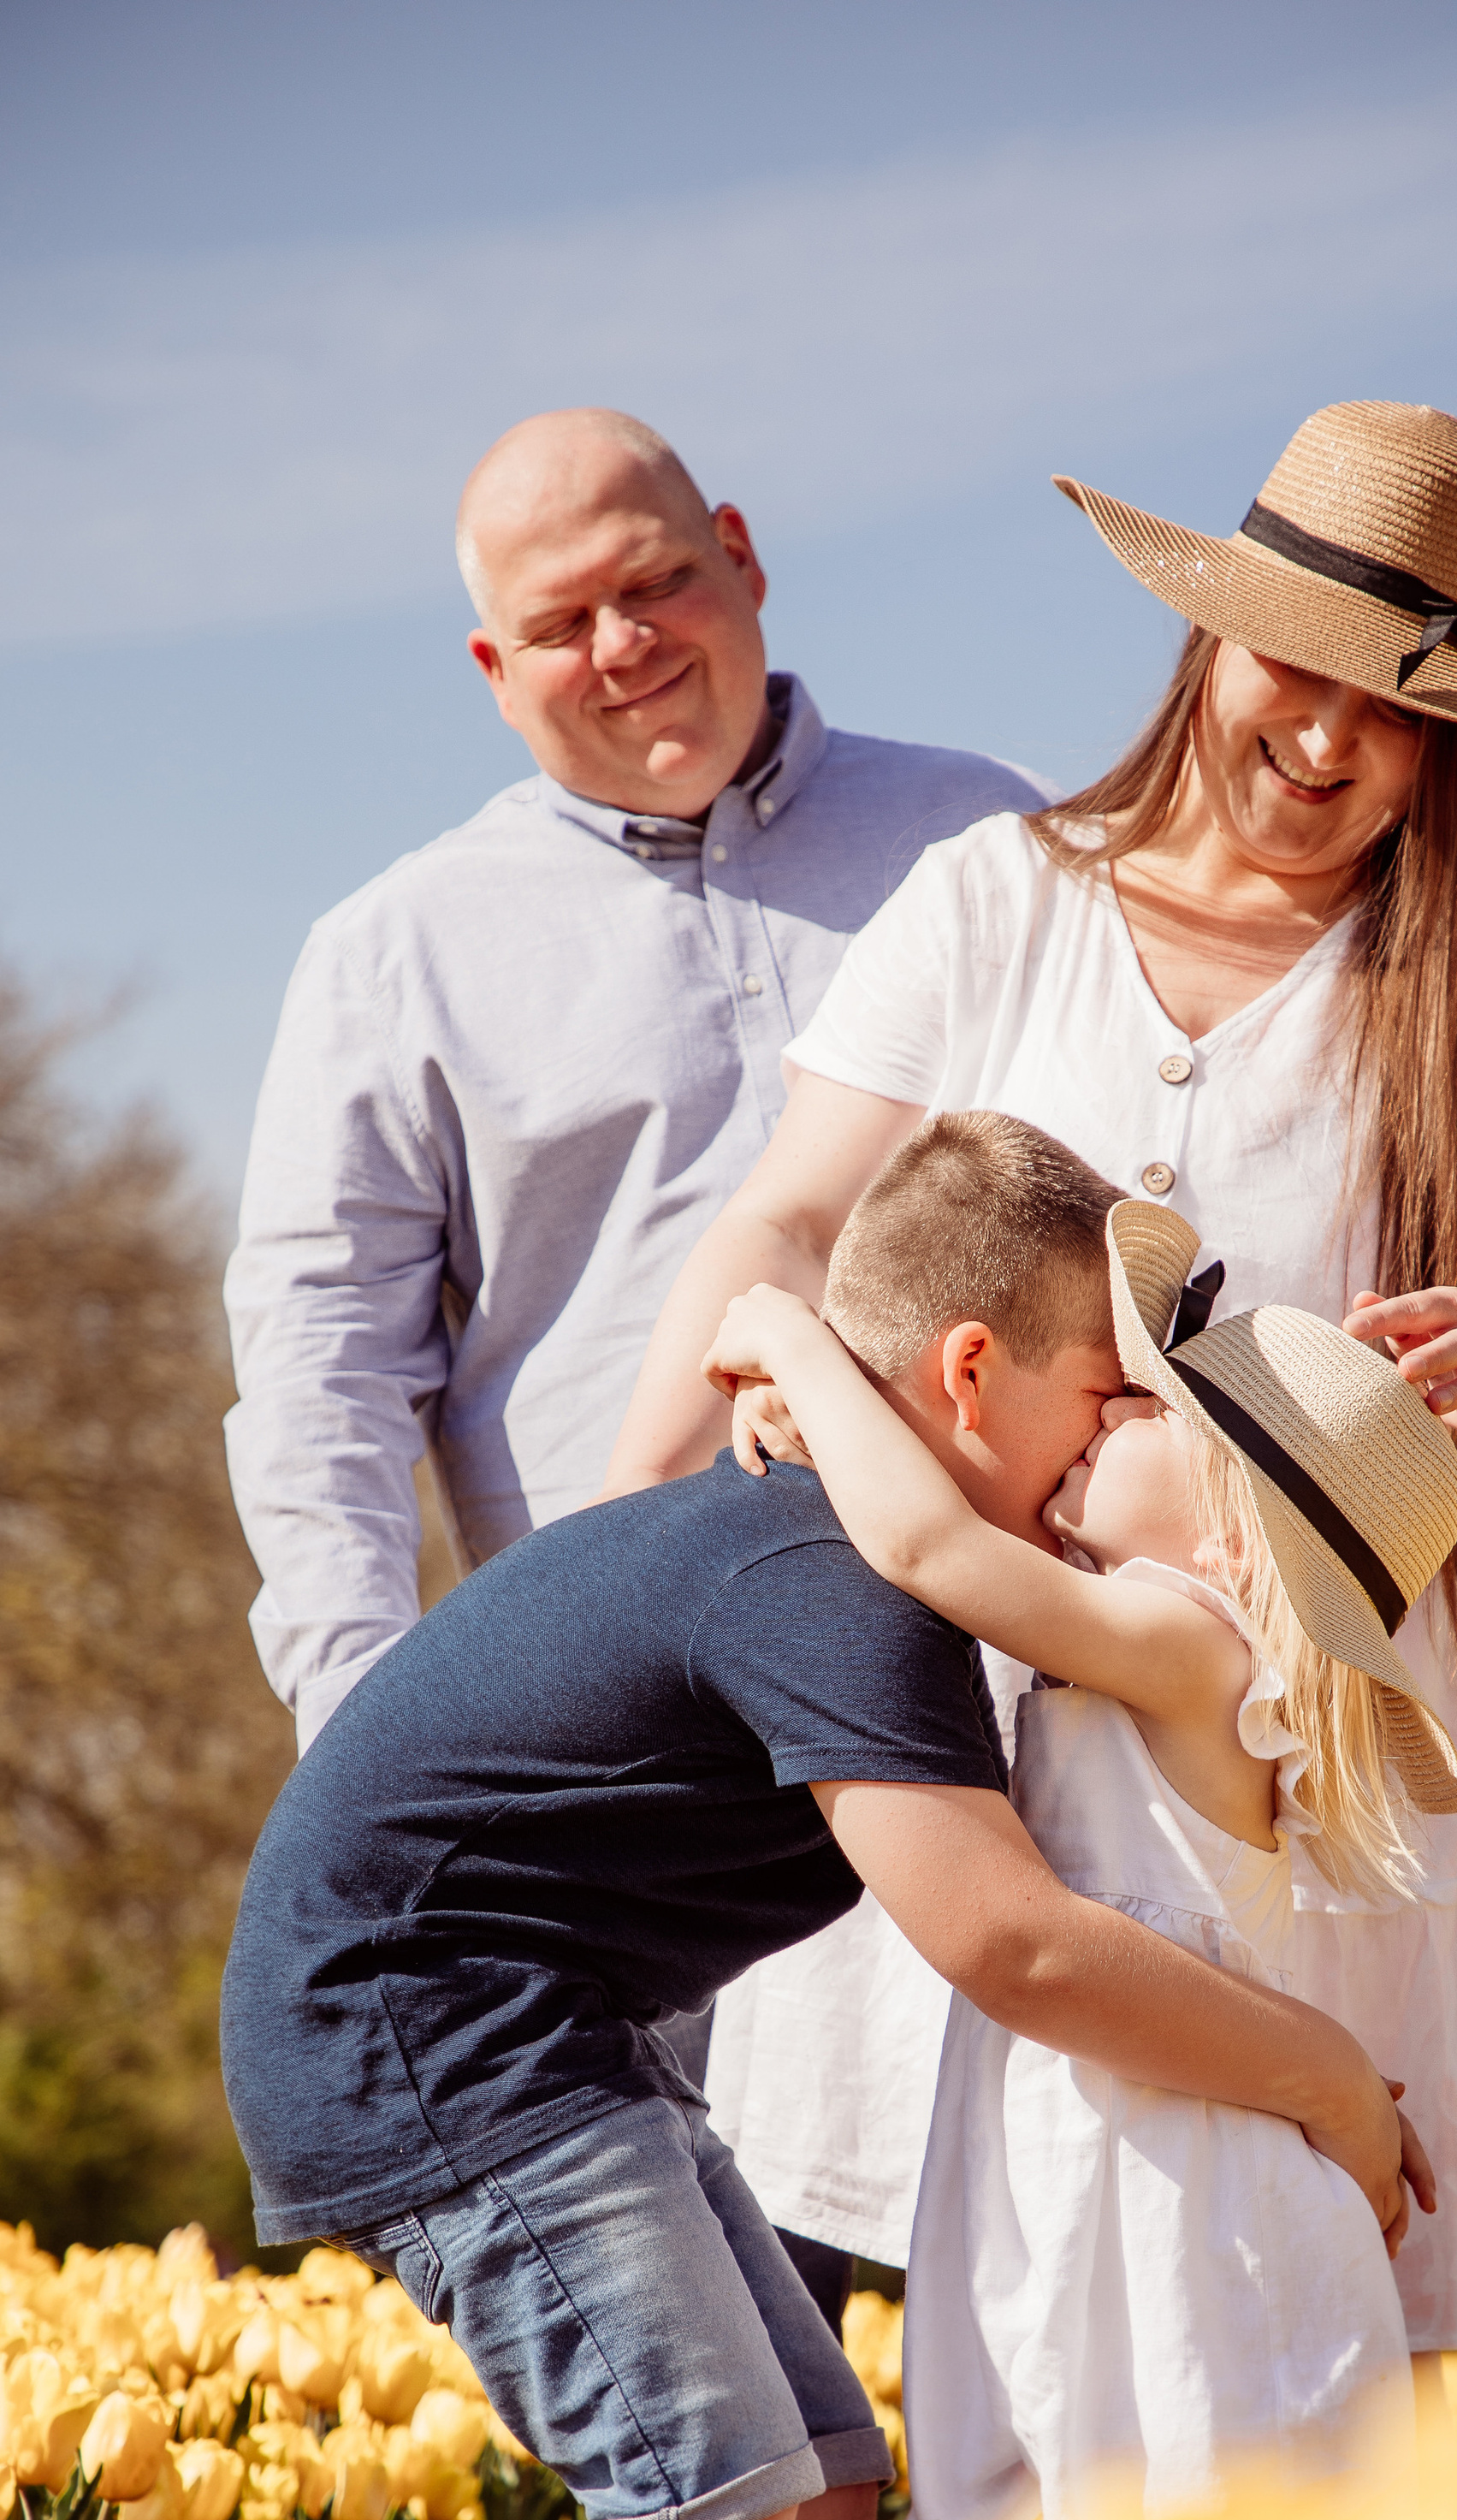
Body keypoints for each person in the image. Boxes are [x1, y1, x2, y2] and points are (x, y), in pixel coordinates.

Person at [217, 1115, 1430, 2520]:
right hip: (440, 2032)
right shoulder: (829, 1577)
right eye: (1101, 1388)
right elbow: (1007, 1937)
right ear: (968, 1376)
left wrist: (784, 1329)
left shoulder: (858, 1547)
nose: (1114, 1427)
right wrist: (1323, 2080)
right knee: (704, 2486)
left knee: (814, 2476)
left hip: (539, 2027)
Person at [605, 397, 1457, 2356]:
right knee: (925, 2370)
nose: (1331, 739)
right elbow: (785, 1222)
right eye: (1298, 668)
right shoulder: (993, 899)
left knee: (1313, 2339)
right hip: (950, 1702)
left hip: (1301, 1739)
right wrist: (610, 1548)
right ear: (1209, 636)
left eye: (1398, 706)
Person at [220, 404, 1040, 2322]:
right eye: (561, 619)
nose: (624, 645)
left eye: (656, 579)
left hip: (1016, 1707)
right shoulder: (388, 959)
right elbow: (323, 1378)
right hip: (631, 1784)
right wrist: (372, 1727)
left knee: (1054, 2338)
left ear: (740, 552)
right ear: (491, 668)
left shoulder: (999, 840)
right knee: (757, 2446)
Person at [702, 1192, 1457, 2520]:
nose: (1110, 1407)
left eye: (1154, 1411)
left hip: (1179, 2178)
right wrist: (831, 1425)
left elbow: (930, 1549)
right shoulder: (1142, 1636)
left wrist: (795, 1342)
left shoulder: (1200, 1646)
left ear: (1238, 1542)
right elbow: (931, 1516)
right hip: (1108, 2129)